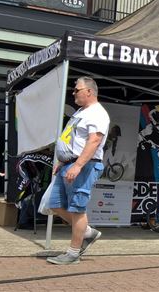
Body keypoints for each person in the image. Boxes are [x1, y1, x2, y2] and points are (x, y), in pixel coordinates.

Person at [46, 76, 110, 265]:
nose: (73, 93)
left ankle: (73, 253)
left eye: (77, 90)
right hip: (69, 164)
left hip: (83, 166)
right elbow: (71, 138)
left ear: (89, 92)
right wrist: (63, 160)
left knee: (77, 208)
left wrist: (78, 165)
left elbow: (94, 141)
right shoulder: (82, 112)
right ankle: (88, 232)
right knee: (55, 204)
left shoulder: (97, 113)